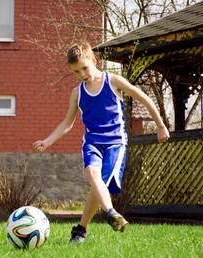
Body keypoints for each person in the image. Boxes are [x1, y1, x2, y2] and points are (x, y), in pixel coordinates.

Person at [33, 42, 170, 243]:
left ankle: (80, 230)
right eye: (76, 72)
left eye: (84, 68)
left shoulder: (113, 81)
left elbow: (144, 99)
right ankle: (110, 213)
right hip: (92, 142)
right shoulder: (77, 93)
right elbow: (67, 123)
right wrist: (48, 141)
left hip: (115, 143)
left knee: (100, 187)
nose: (81, 74)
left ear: (94, 61)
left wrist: (160, 125)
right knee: (92, 173)